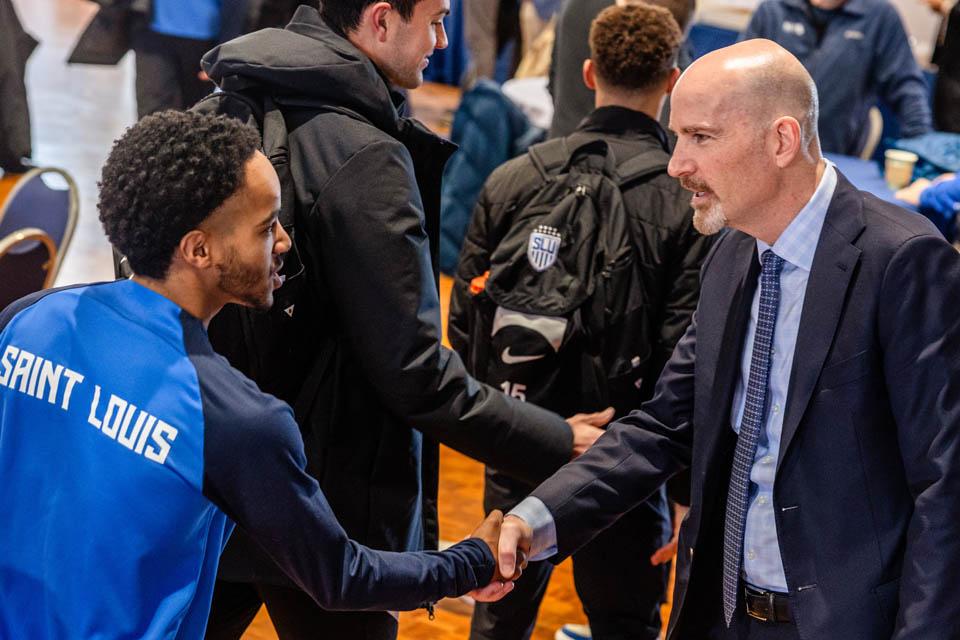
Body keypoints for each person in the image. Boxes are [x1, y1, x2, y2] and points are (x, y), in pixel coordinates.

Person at [497, 39, 960, 639]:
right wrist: (537, 517)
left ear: (781, 141)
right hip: (720, 616)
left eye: (700, 138)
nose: (676, 164)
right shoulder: (730, 253)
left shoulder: (900, 259)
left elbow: (944, 484)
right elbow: (664, 424)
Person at [0, 110, 517, 638]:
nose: (285, 242)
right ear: (199, 249)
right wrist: (469, 562)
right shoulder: (231, 418)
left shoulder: (28, 318)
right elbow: (342, 576)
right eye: (267, 226)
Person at [200, 3, 609, 638]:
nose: (441, 40)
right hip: (331, 506)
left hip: (209, 480)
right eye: (436, 19)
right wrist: (556, 439)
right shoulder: (365, 155)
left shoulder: (207, 116)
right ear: (382, 19)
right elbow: (414, 370)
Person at [450, 6, 712, 640]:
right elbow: (686, 356)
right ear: (672, 80)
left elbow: (464, 328)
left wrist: (510, 428)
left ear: (588, 72)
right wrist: (685, 489)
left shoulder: (512, 179)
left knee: (497, 619)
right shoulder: (687, 200)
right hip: (621, 458)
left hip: (520, 438)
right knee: (624, 623)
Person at [741, 0, 932, 156]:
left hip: (836, 158)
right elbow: (739, 82)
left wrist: (924, 150)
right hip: (765, 154)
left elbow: (907, 88)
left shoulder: (880, 16)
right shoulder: (772, 9)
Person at [548, 0, 696, 139]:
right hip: (638, 155)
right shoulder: (676, 65)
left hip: (561, 145)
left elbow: (554, 79)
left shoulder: (576, 6)